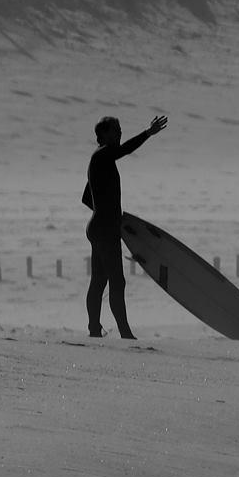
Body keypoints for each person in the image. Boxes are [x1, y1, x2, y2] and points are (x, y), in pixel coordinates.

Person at [83, 113, 166, 338]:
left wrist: (106, 213)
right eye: (115, 129)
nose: (120, 133)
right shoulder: (103, 155)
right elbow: (124, 150)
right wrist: (148, 133)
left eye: (120, 129)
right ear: (103, 134)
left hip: (99, 227)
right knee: (116, 281)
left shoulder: (99, 160)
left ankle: (94, 329)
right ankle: (125, 332)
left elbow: (86, 198)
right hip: (104, 230)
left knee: (100, 280)